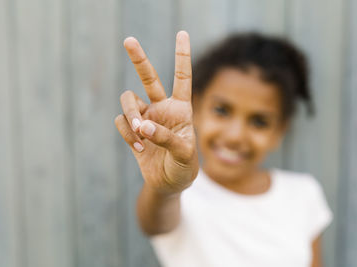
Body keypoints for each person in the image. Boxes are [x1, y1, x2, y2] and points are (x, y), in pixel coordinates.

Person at [115, 31, 333, 267]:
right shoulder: (180, 194)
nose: (234, 136)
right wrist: (165, 188)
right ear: (195, 108)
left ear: (280, 131)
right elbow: (153, 221)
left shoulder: (303, 194)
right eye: (221, 111)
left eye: (259, 121)